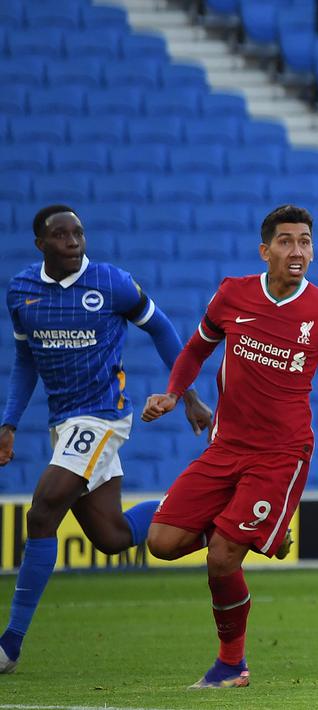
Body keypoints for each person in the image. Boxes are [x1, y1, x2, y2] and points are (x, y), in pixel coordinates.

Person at [141, 205, 318, 688]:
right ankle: (262, 531)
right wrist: (174, 393)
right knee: (162, 543)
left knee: (222, 557)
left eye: (305, 241)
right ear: (265, 250)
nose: (297, 250)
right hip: (225, 447)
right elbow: (196, 349)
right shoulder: (232, 294)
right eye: (286, 241)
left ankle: (231, 665)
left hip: (281, 456)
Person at [0, 205, 212, 674]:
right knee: (111, 536)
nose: (73, 241)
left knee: (42, 511)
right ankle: (208, 514)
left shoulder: (112, 283)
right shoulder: (22, 291)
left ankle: (9, 645)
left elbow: (161, 327)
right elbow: (25, 361)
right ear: (40, 244)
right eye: (61, 235)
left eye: (78, 233)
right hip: (64, 424)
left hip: (102, 417)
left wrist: (188, 395)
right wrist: (9, 423)